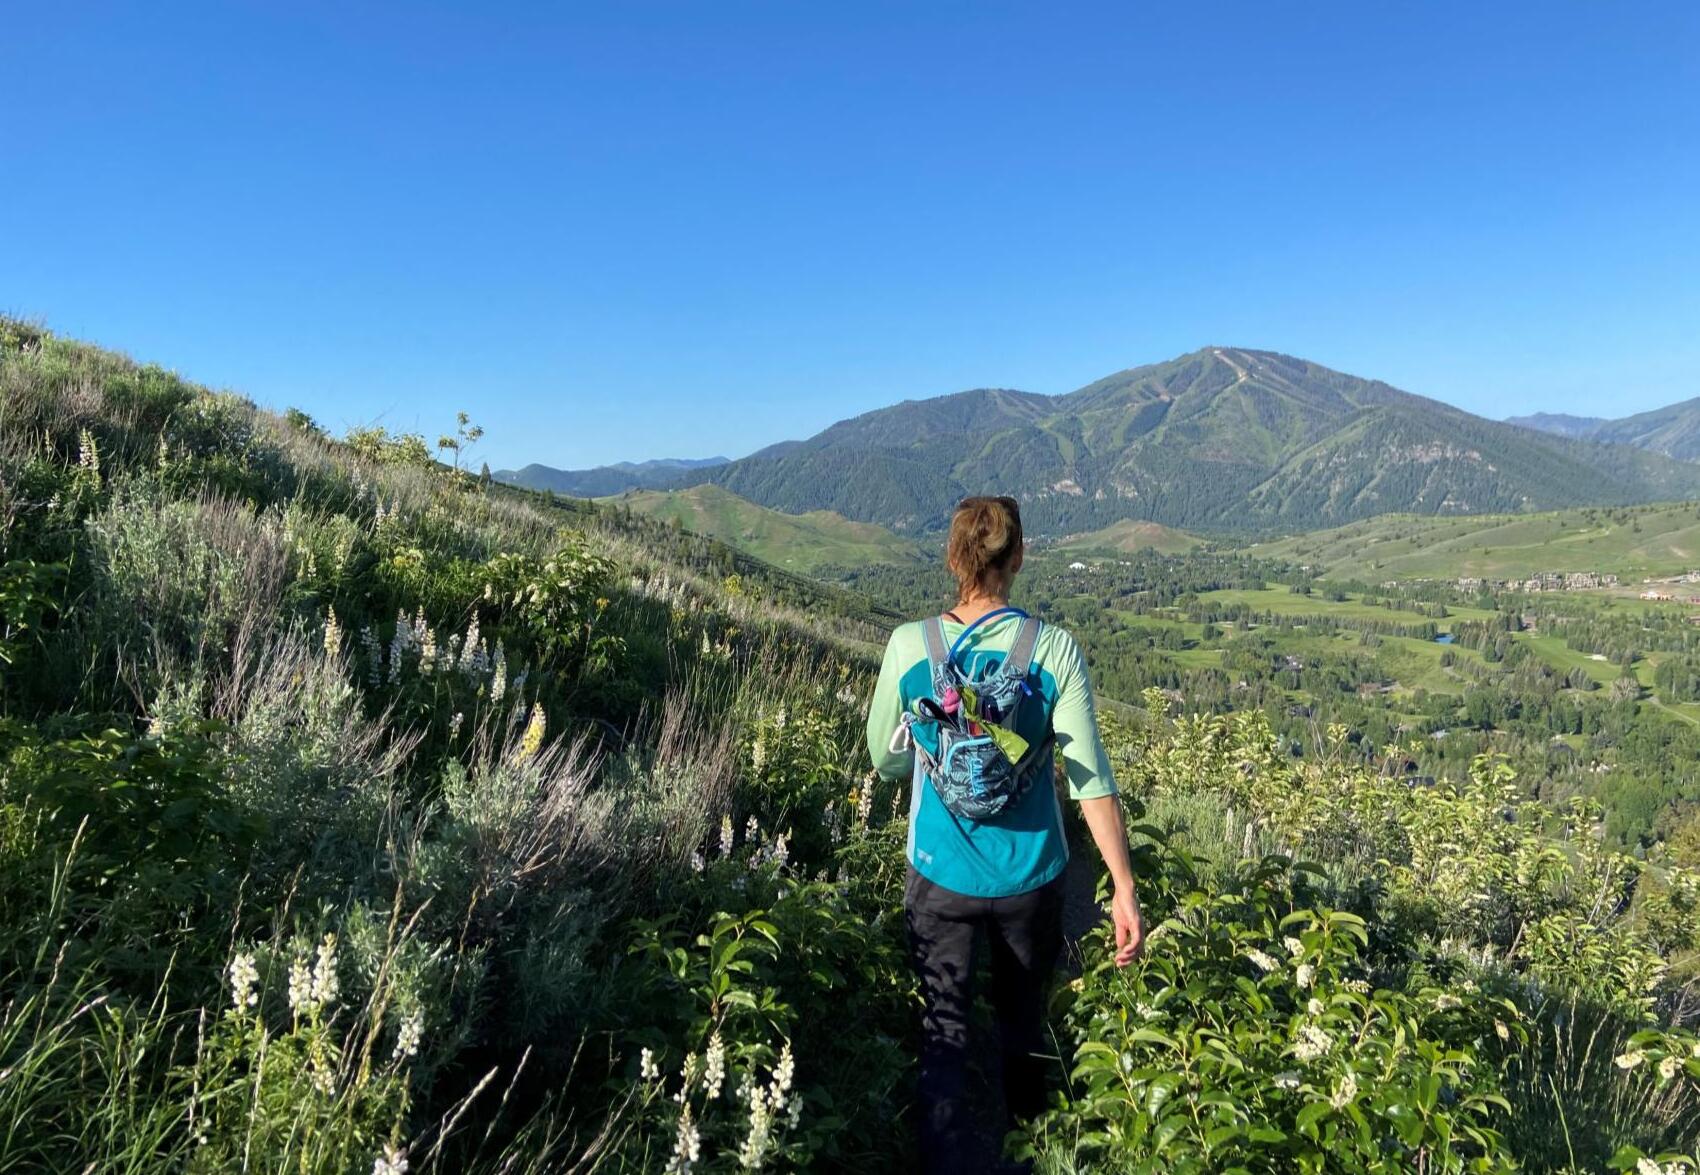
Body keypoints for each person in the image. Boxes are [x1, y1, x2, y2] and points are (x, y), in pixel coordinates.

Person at [865, 494, 1143, 1174]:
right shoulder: (1053, 649)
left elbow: (884, 759)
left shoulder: (909, 645)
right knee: (1024, 1027)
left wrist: (935, 756)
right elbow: (1090, 780)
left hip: (938, 873)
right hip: (1031, 877)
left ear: (953, 559)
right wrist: (1123, 886)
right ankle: (1032, 1152)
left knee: (944, 1032)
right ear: (1018, 557)